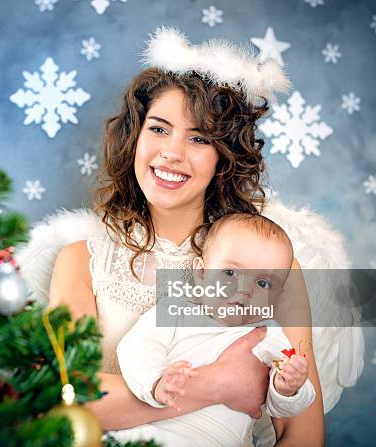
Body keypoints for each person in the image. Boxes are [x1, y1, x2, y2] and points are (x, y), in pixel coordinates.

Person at [48, 27, 324, 445]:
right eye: (158, 129)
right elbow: (69, 397)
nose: (172, 153)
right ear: (135, 138)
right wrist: (219, 384)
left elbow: (302, 432)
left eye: (198, 138)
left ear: (224, 158)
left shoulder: (268, 269)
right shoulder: (80, 261)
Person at [112, 213, 315, 446]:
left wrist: (287, 388)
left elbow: (285, 408)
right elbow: (137, 345)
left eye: (262, 283)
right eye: (230, 273)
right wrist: (156, 381)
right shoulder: (175, 309)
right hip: (151, 432)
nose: (245, 289)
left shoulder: (268, 335)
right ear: (201, 272)